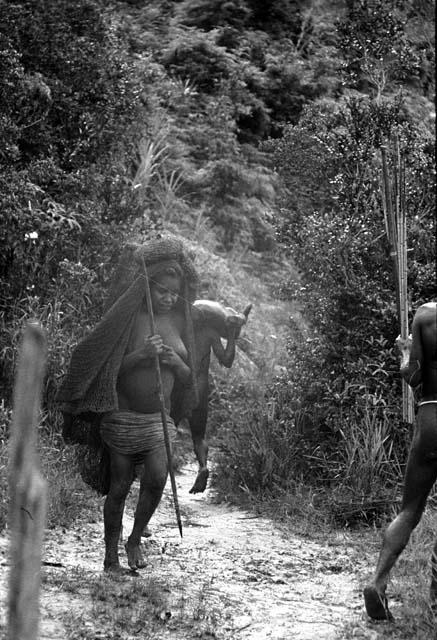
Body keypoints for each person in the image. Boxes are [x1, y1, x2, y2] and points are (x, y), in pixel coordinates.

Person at [57, 238, 200, 572]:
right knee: (119, 487)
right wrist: (141, 355)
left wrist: (173, 362)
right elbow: (106, 369)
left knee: (157, 477)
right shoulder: (128, 320)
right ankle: (110, 558)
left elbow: (187, 375)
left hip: (157, 420)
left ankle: (135, 538)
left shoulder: (179, 324)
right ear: (148, 289)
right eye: (161, 291)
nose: (167, 299)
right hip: (122, 417)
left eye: (173, 294)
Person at [363, 301, 437, 620]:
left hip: (430, 418)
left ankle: (378, 584)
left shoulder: (426, 314)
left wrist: (405, 353)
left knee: (409, 510)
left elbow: (412, 377)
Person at [183, 300, 252, 494]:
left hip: (180, 386)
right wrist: (231, 334)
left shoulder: (181, 328)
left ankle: (159, 470)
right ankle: (203, 466)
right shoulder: (211, 334)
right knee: (198, 436)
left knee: (167, 428)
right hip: (201, 389)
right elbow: (227, 360)